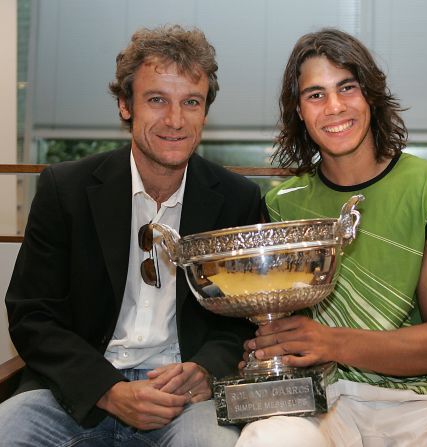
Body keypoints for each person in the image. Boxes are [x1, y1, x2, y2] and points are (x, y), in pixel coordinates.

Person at [236, 28, 427, 446]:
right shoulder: (280, 205)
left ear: (372, 97)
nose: (335, 107)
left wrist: (330, 341)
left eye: (348, 88)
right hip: (319, 400)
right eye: (316, 95)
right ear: (298, 111)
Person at [0, 25, 261, 446]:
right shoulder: (65, 190)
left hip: (184, 401)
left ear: (205, 113)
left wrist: (206, 368)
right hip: (77, 392)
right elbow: (32, 314)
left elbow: (246, 321)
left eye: (190, 102)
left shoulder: (237, 200)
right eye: (157, 100)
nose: (175, 120)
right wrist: (109, 391)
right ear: (125, 105)